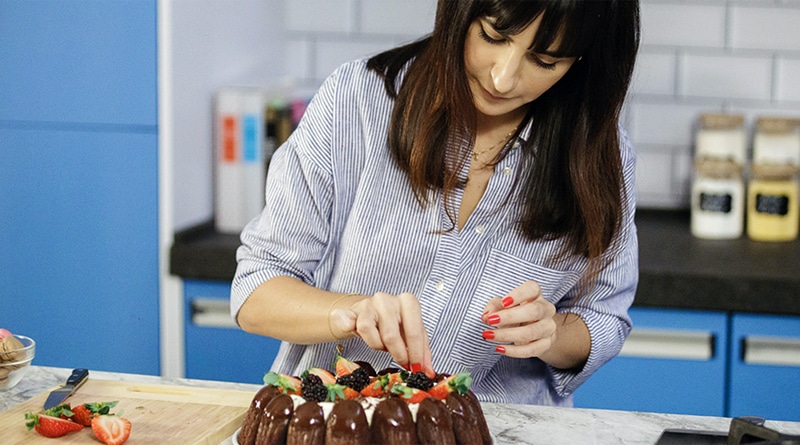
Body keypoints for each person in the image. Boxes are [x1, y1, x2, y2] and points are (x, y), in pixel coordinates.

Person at [231, 0, 640, 406]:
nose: (502, 78)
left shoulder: (603, 156)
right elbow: (256, 289)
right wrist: (350, 312)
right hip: (339, 424)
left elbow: (604, 320)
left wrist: (550, 333)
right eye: (492, 36)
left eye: (545, 61)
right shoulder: (357, 100)